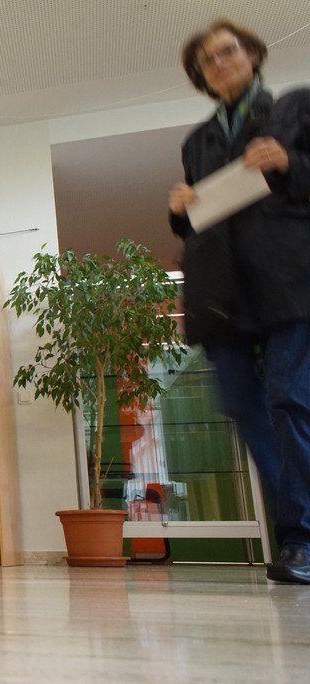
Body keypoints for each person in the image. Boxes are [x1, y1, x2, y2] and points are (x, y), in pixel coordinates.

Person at [168, 20, 310, 584]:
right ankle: (299, 530)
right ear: (200, 76)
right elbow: (197, 221)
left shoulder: (294, 109)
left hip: (288, 279)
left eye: (227, 51)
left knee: (290, 399)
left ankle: (300, 539)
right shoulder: (196, 142)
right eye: (207, 60)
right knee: (241, 404)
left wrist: (290, 163)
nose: (219, 62)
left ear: (251, 54)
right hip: (219, 291)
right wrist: (180, 209)